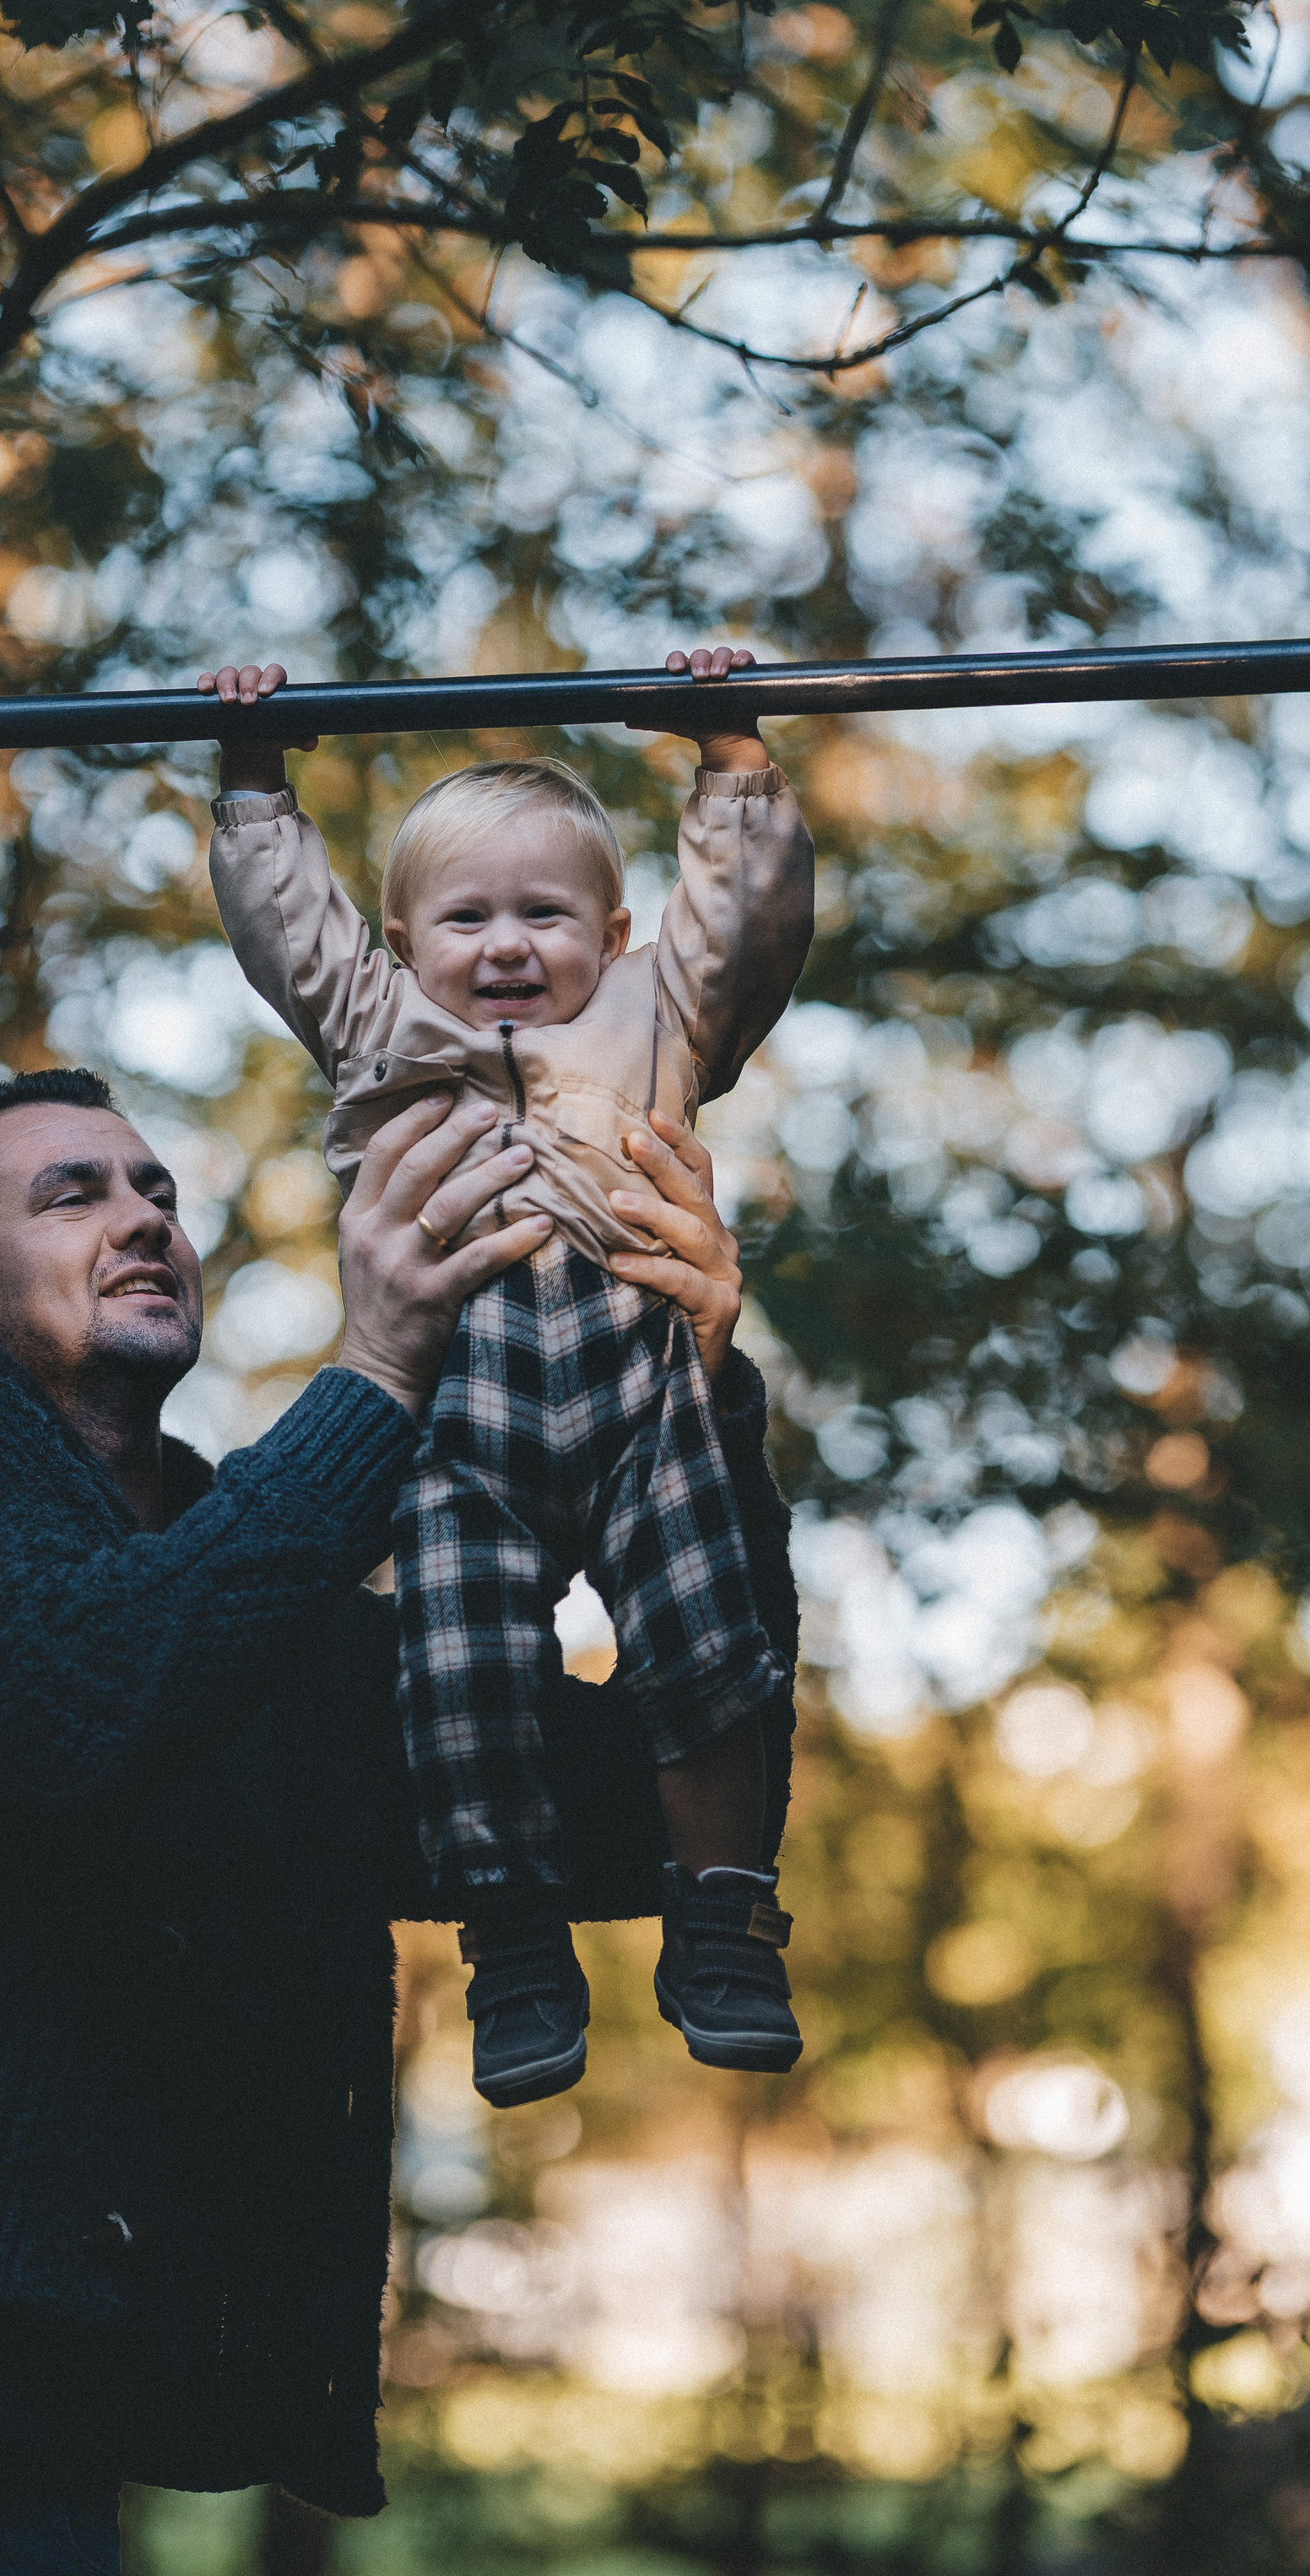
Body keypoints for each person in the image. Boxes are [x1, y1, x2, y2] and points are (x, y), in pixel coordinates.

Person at [0, 1065, 794, 2568]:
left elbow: (662, 1800)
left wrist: (689, 1416)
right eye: (75, 1193)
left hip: (11, 2422)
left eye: (158, 1189)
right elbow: (75, 1693)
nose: (145, 1217)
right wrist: (374, 1371)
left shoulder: (255, 1600)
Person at [199, 644, 813, 2108]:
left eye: (547, 914)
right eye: (465, 918)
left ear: (612, 931)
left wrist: (730, 753)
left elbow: (748, 928)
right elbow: (294, 934)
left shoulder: (659, 1019)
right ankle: (510, 1930)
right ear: (405, 948)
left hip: (641, 1377)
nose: (508, 946)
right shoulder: (382, 1034)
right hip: (467, 1403)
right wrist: (249, 779)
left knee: (710, 1633)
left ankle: (724, 1910)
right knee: (457, 1660)